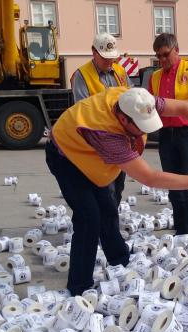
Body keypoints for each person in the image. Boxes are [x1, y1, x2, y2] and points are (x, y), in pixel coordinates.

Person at [46, 87, 188, 295]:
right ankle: (79, 287)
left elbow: (186, 107)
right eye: (141, 127)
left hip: (88, 151)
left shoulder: (139, 100)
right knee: (89, 217)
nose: (144, 132)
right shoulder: (107, 135)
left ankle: (119, 260)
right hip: (66, 156)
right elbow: (149, 177)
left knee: (107, 207)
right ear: (124, 120)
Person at [148, 33, 188, 236]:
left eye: (166, 54)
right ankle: (181, 230)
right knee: (173, 184)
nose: (162, 60)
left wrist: (178, 107)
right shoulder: (155, 77)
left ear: (176, 50)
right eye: (158, 56)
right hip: (166, 134)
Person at [70, 33, 132, 205]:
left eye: (112, 58)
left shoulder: (120, 71)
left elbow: (131, 97)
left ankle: (110, 223)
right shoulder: (81, 75)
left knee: (118, 187)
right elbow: (83, 112)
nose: (109, 62)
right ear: (93, 52)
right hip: (97, 142)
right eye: (105, 58)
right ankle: (104, 226)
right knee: (103, 189)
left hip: (120, 139)